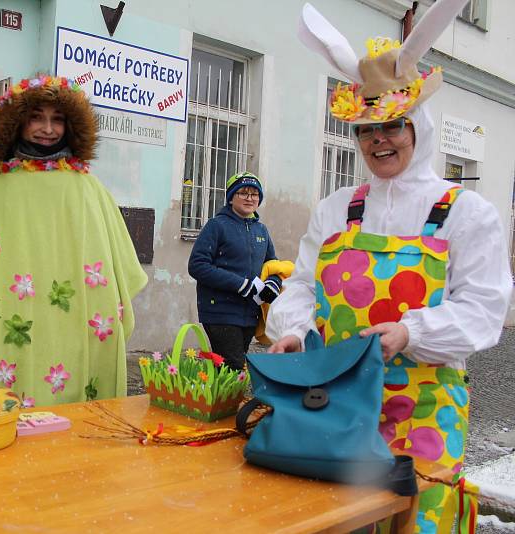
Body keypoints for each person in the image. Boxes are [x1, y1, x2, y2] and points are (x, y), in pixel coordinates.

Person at [268, 3, 511, 532]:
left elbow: (484, 310)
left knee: (417, 521)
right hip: (332, 399)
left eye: (395, 125)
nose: (380, 139)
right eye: (368, 129)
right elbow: (303, 284)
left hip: (424, 405)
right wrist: (294, 330)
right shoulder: (338, 208)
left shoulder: (466, 213)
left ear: (418, 126)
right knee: (332, 521)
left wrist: (410, 331)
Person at [0, 75, 147, 406]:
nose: (47, 128)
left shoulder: (87, 186)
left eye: (57, 119)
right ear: (17, 122)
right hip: (6, 329)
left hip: (73, 329)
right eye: (36, 117)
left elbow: (118, 264)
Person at [188, 172, 279, 370]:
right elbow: (197, 265)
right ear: (231, 197)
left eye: (254, 194)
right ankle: (227, 401)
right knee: (234, 366)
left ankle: (216, 399)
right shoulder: (217, 226)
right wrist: (241, 284)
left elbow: (272, 263)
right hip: (219, 310)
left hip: (249, 312)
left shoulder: (261, 230)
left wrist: (273, 283)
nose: (249, 198)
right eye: (243, 193)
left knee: (227, 369)